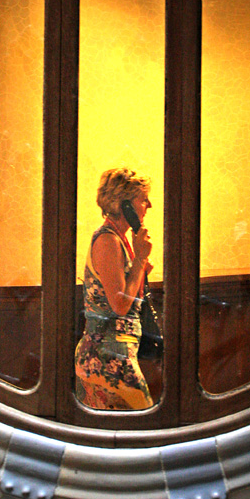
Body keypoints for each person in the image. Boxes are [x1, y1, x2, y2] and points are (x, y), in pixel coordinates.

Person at [75, 167, 155, 410]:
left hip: (117, 353)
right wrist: (139, 260)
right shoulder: (107, 240)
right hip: (106, 358)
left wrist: (138, 267)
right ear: (124, 205)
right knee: (140, 421)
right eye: (143, 199)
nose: (149, 205)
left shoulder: (119, 238)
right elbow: (120, 305)